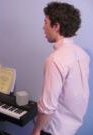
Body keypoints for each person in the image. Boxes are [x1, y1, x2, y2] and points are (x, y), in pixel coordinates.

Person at [31, 2, 90, 135]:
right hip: (71, 129)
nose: (43, 27)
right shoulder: (83, 55)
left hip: (54, 130)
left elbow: (47, 108)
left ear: (56, 26)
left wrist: (36, 129)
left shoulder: (55, 60)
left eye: (45, 22)